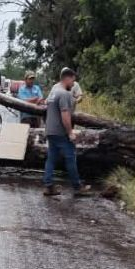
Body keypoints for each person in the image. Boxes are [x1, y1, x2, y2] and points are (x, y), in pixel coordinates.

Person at [42, 66, 90, 197]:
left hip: (50, 130)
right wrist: (70, 132)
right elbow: (65, 115)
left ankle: (48, 186)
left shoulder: (53, 93)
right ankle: (77, 187)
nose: (73, 84)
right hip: (60, 132)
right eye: (72, 81)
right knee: (70, 158)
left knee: (51, 159)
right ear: (67, 78)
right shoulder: (64, 94)